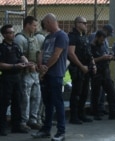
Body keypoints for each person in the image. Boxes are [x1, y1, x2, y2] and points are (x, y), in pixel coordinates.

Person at [31, 13, 69, 141]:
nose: (44, 26)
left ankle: (61, 132)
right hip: (46, 74)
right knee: (47, 103)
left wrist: (45, 68)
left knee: (58, 103)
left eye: (44, 24)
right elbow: (41, 52)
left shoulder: (61, 36)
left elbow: (56, 55)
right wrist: (40, 65)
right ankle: (46, 130)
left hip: (55, 74)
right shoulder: (48, 37)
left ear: (49, 22)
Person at [0, 24, 29, 136]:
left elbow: (21, 56)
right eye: (10, 32)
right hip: (7, 77)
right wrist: (15, 66)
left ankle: (16, 126)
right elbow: (1, 65)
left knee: (17, 101)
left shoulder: (16, 46)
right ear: (4, 35)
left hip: (17, 77)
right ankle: (1, 127)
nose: (12, 34)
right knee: (3, 103)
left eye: (13, 32)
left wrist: (26, 63)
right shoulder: (2, 48)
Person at [14, 16, 42, 130]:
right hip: (25, 72)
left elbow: (37, 53)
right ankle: (23, 122)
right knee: (25, 98)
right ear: (27, 25)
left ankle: (33, 120)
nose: (36, 28)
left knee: (36, 96)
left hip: (35, 71)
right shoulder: (20, 39)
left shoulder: (33, 38)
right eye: (34, 25)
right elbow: (18, 55)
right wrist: (28, 65)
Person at [67, 16, 96, 124]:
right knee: (76, 93)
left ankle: (81, 114)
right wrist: (81, 66)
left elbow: (89, 52)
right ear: (77, 24)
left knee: (84, 92)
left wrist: (93, 64)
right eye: (84, 23)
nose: (86, 25)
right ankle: (74, 116)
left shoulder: (84, 36)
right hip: (77, 68)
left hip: (86, 67)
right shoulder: (72, 36)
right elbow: (71, 53)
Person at [90, 30, 115, 120]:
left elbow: (105, 54)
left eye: (103, 40)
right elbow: (91, 60)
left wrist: (109, 56)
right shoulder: (91, 47)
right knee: (96, 94)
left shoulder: (102, 45)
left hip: (105, 71)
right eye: (101, 40)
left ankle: (112, 113)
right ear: (97, 37)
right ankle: (96, 113)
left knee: (111, 92)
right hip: (96, 72)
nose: (102, 42)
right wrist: (102, 58)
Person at [89, 24, 114, 116]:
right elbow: (91, 57)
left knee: (108, 91)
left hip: (104, 68)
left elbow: (104, 51)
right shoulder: (93, 39)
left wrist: (108, 56)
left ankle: (102, 108)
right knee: (96, 92)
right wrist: (102, 57)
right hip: (97, 69)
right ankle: (95, 110)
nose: (104, 40)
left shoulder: (104, 40)